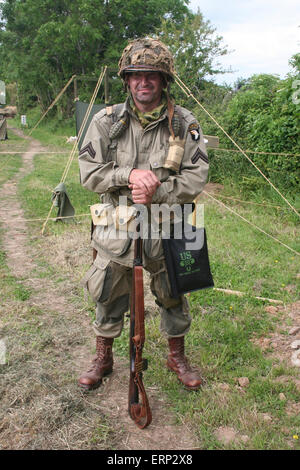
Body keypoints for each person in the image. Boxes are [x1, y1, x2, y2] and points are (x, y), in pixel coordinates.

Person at [78, 38, 209, 392]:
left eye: (151, 74)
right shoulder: (106, 122)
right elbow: (89, 173)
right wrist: (128, 175)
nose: (143, 82)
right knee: (107, 292)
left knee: (172, 293)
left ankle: (176, 355)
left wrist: (159, 191)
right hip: (118, 228)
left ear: (164, 80)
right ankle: (103, 357)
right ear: (126, 80)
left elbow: (197, 175)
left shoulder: (184, 123)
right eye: (136, 75)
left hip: (168, 224)